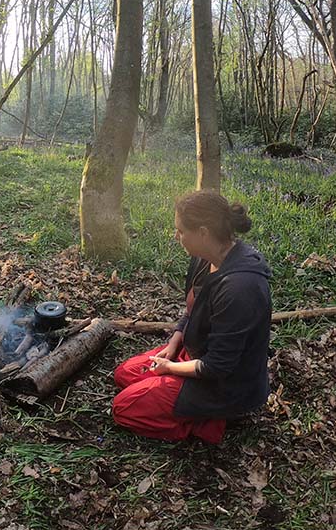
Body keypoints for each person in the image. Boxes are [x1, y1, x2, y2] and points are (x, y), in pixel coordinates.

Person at [112, 190, 272, 444]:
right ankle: (170, 388)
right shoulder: (204, 258)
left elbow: (217, 366)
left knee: (123, 408)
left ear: (203, 232)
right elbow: (192, 311)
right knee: (124, 374)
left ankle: (210, 421)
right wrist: (175, 342)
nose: (177, 237)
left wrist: (171, 368)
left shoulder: (240, 288)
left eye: (181, 231)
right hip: (195, 353)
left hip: (223, 386)